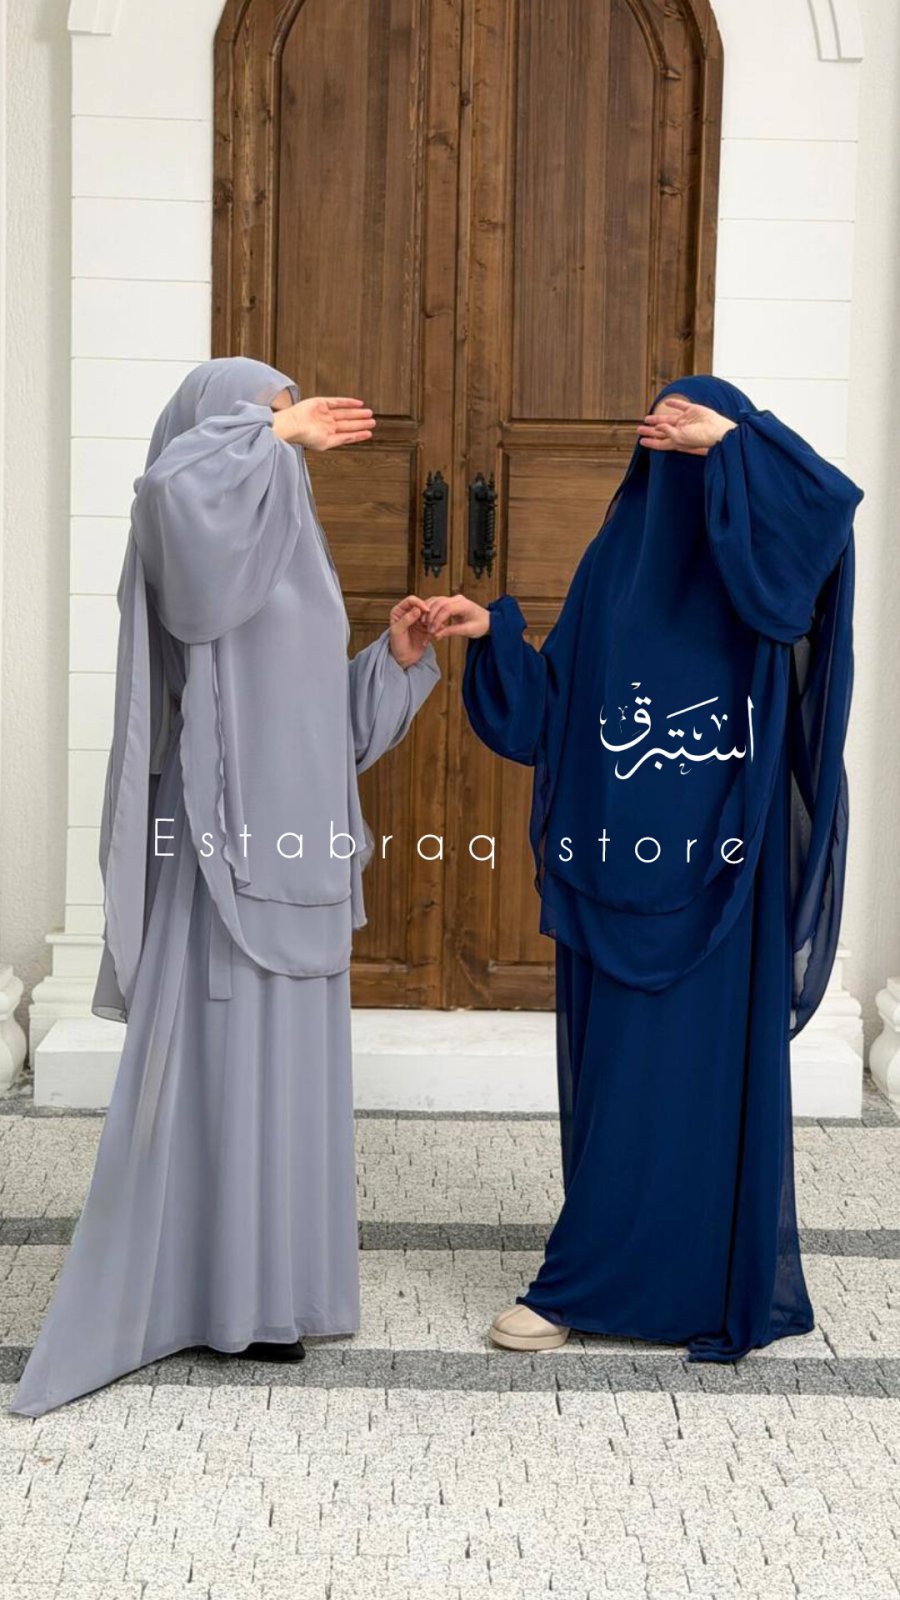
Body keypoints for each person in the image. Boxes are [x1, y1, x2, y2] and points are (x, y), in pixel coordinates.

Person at [10, 357, 439, 1416]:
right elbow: (168, 487)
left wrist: (392, 660)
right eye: (261, 418)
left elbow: (322, 733)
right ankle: (202, 1296)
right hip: (220, 856)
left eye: (285, 417)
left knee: (284, 1085)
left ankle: (271, 1295)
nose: (281, 434)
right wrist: (276, 435)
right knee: (223, 1075)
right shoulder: (191, 542)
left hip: (303, 859)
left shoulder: (297, 557)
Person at [426, 376, 861, 1362]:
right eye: (662, 448)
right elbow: (551, 712)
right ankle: (588, 1279)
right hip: (614, 875)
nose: (675, 472)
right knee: (620, 1089)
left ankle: (698, 1284)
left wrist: (739, 438)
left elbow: (828, 509)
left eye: (692, 448)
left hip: (725, 883)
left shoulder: (759, 584)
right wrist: (496, 636)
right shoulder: (614, 564)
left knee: (706, 1085)